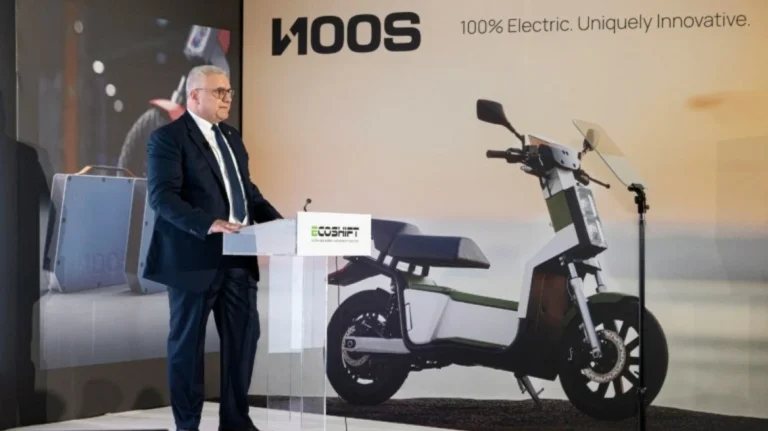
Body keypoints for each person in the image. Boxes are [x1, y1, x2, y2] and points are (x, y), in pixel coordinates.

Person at [144, 64, 282, 431]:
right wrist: (209, 223)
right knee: (187, 346)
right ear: (194, 95)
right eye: (219, 92)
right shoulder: (168, 138)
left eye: (229, 91)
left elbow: (248, 194)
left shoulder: (232, 137)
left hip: (239, 256)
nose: (228, 98)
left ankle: (235, 422)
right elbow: (162, 197)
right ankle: (187, 425)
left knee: (244, 341)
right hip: (194, 257)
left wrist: (283, 226)